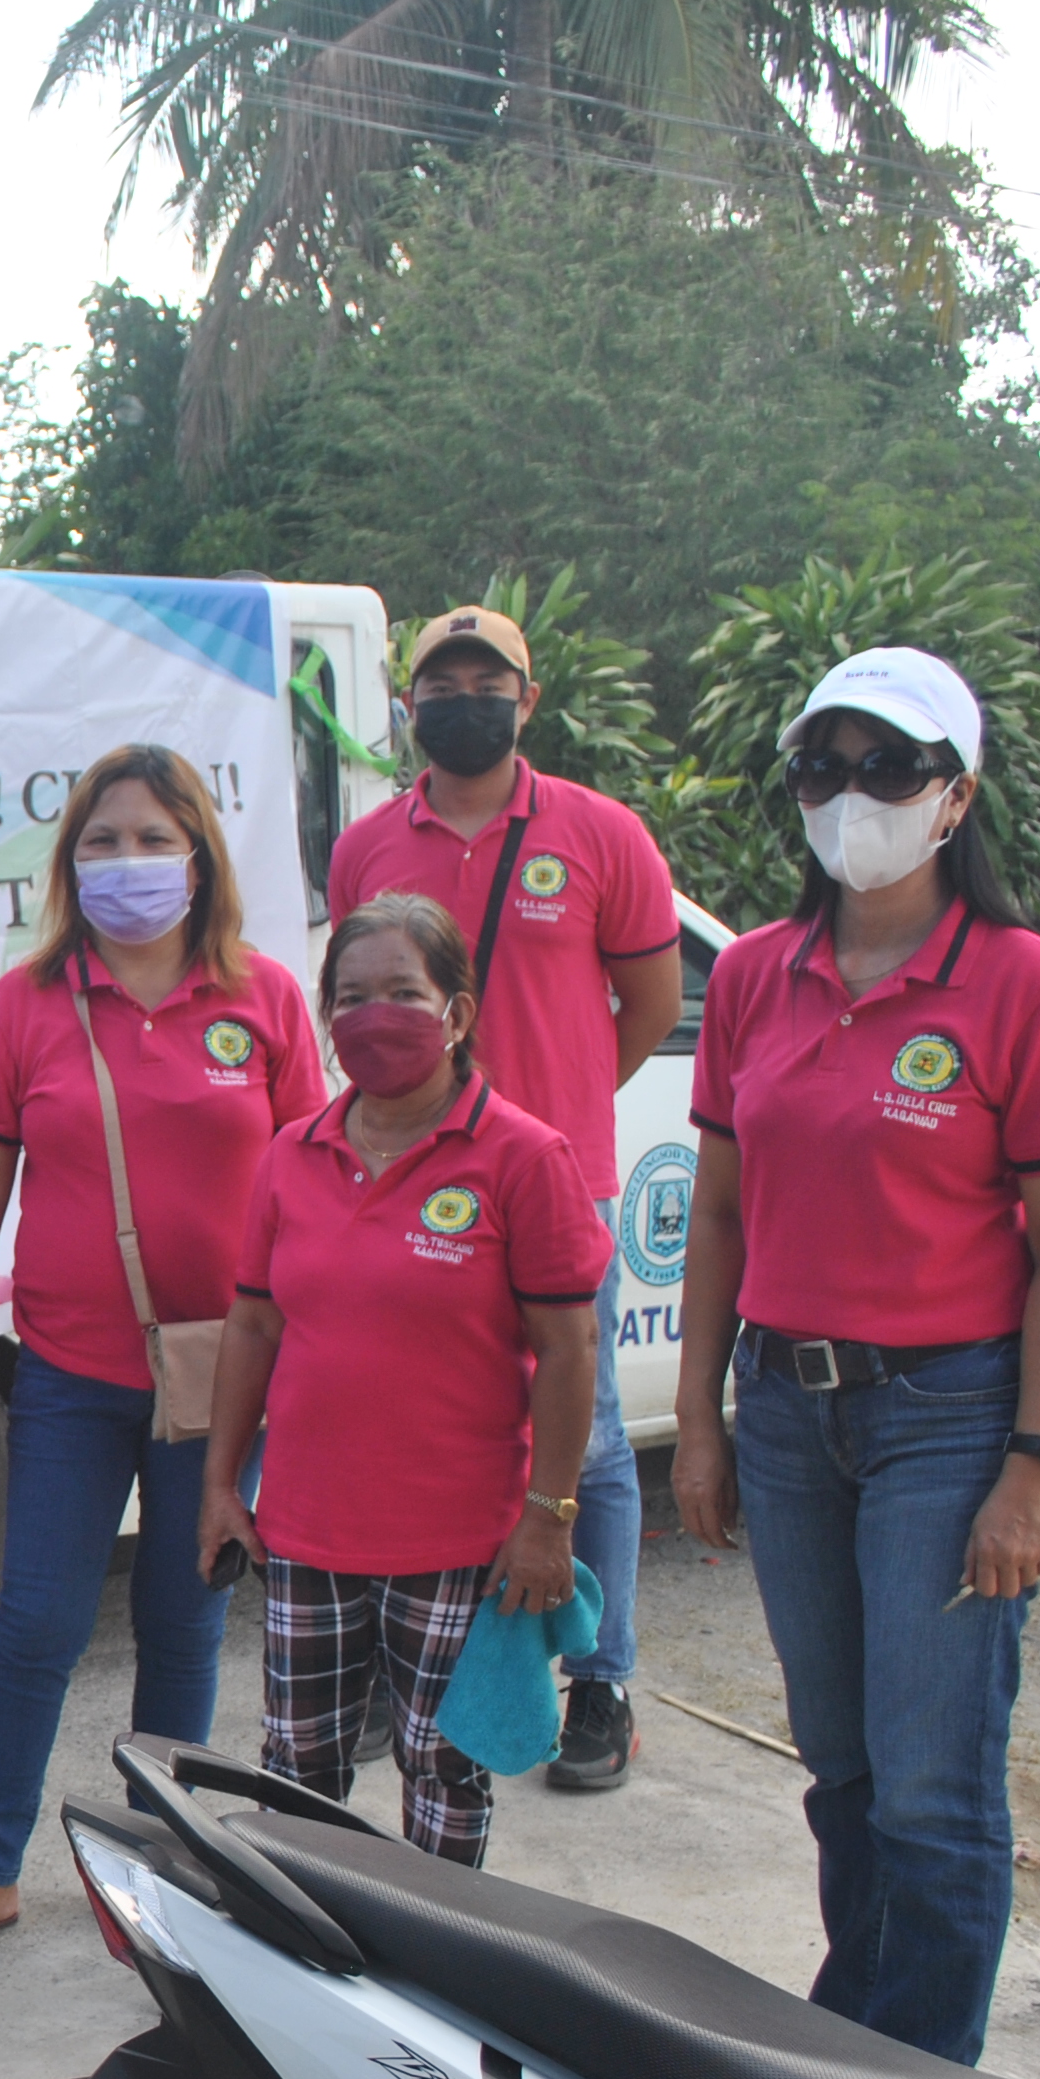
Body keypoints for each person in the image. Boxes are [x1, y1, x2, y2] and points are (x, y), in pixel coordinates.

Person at [672, 648, 1040, 2066]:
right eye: (823, 766)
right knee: (845, 1769)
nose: (849, 795)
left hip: (950, 1416)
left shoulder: (1027, 986)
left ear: (955, 794)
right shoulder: (752, 976)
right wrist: (700, 1422)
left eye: (887, 768)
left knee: (932, 1785)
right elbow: (725, 1217)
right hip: (789, 1417)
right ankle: (862, 2045)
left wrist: (1035, 1470)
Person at [0, 745, 328, 1968]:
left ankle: (169, 1878)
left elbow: (314, 1184)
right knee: (33, 1625)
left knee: (181, 1629)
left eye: (152, 839)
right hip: (70, 1372)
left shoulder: (261, 1000)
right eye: (101, 842)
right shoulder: (26, 1007)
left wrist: (315, 1364)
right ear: (66, 864)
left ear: (197, 855)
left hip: (222, 1382)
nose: (127, 862)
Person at [328, 606, 682, 1791]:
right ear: (407, 702)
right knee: (413, 1422)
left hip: (554, 1182)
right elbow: (367, 1005)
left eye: (488, 678)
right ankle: (406, 1662)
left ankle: (601, 1681)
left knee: (586, 1447)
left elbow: (640, 1006)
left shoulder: (599, 833)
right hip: (403, 1188)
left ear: (526, 701)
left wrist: (549, 1110)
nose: (462, 694)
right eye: (441, 679)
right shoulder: (368, 843)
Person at [198, 893, 606, 1866]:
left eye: (399, 994)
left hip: (460, 1543)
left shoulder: (522, 1158)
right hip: (306, 1533)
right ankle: (299, 1970)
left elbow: (567, 1350)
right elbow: (252, 1322)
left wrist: (547, 1516)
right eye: (348, 997)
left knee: (441, 1771)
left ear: (456, 1014)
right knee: (295, 1770)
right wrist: (220, 1484)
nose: (370, 1016)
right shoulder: (291, 1155)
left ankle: (433, 1984)